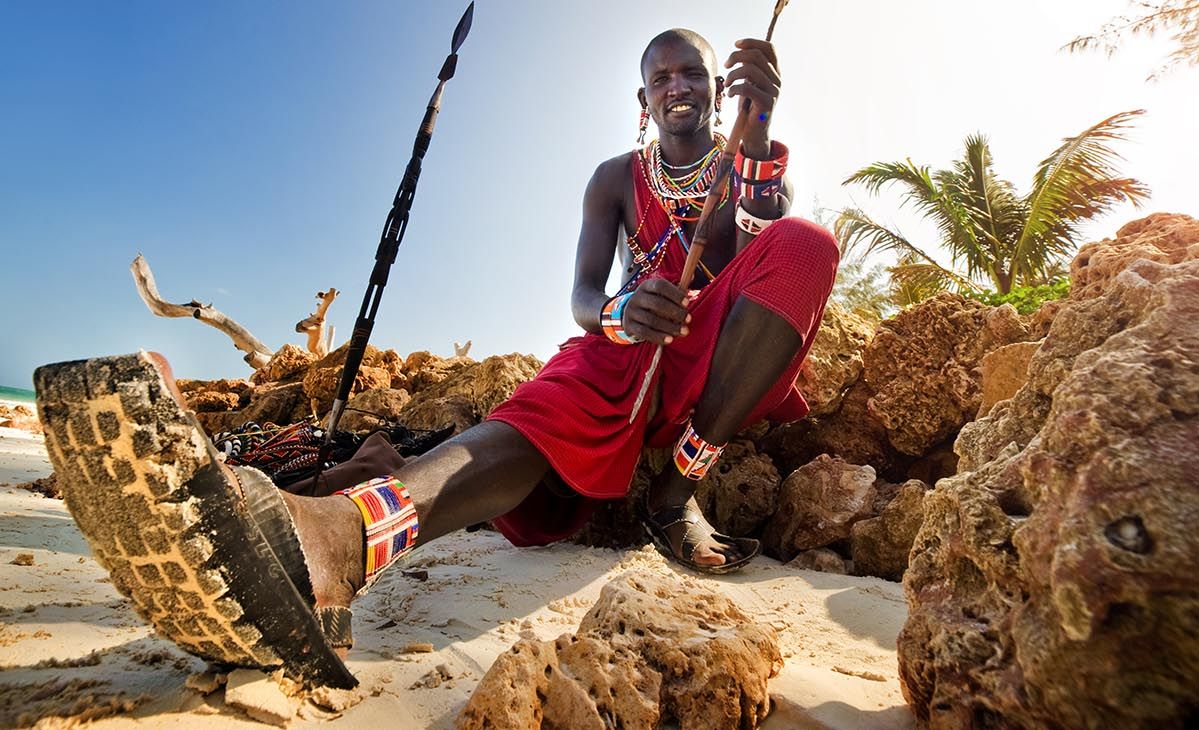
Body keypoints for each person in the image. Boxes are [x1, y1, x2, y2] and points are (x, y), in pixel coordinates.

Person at [33, 28, 839, 687]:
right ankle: (340, 540)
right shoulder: (612, 179)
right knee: (527, 426)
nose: (678, 86)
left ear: (717, 85)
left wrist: (760, 131)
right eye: (661, 76)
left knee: (806, 244)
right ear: (643, 99)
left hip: (705, 359)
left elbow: (759, 237)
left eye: (692, 72)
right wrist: (623, 312)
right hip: (620, 353)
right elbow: (585, 296)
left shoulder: (742, 158)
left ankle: (675, 491)